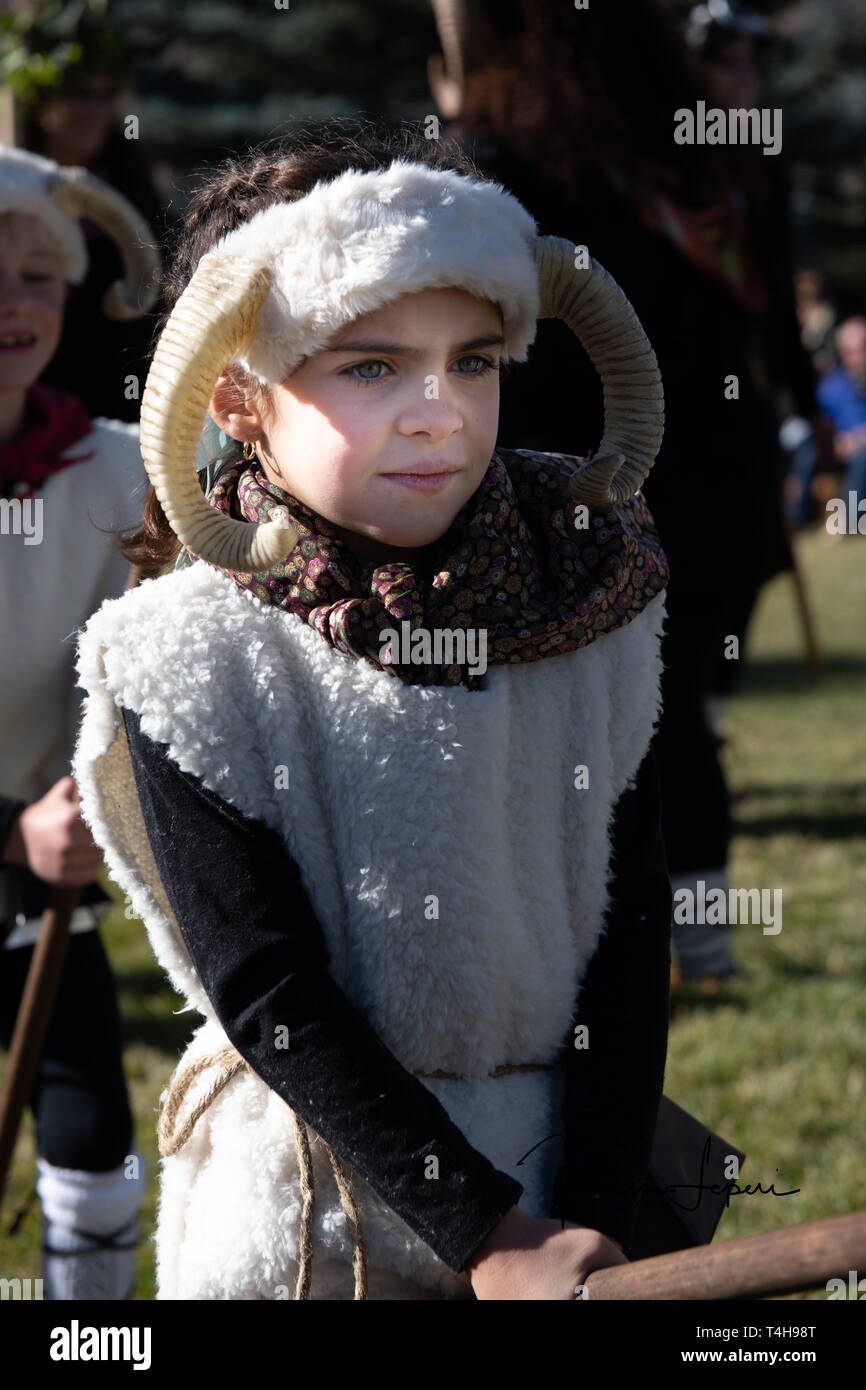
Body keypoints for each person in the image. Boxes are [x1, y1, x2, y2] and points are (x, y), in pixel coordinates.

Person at [71, 117, 672, 1301]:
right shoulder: (190, 655)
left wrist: (587, 1220)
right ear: (238, 399)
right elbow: (268, 990)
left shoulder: (594, 598)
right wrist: (486, 1233)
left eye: (473, 360)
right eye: (370, 365)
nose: (438, 410)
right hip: (317, 1208)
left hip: (560, 1185)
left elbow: (627, 936)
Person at [0, 143, 159, 1298]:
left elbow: (142, 665)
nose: (13, 308)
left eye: (38, 278)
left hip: (47, 880)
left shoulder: (110, 473)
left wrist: (94, 792)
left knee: (96, 1160)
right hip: (20, 844)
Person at [816, 317, 866, 522]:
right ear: (843, 354)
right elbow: (822, 432)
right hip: (845, 460)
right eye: (853, 351)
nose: (860, 356)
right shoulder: (830, 388)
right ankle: (852, 519)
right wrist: (838, 444)